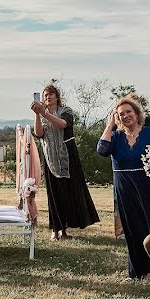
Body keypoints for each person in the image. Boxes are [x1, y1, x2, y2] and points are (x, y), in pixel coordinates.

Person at [97, 95, 150, 280]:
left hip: (149, 186)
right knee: (132, 228)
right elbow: (102, 150)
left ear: (136, 113)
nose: (126, 116)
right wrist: (110, 125)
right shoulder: (116, 137)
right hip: (125, 187)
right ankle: (137, 272)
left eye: (128, 112)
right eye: (121, 114)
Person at [31, 84, 99, 240]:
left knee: (68, 192)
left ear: (57, 96)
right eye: (45, 95)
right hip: (50, 158)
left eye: (51, 94)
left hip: (67, 156)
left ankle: (65, 229)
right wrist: (37, 115)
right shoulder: (42, 114)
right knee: (53, 194)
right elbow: (39, 133)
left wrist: (44, 114)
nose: (48, 97)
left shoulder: (66, 111)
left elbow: (62, 124)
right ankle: (55, 229)